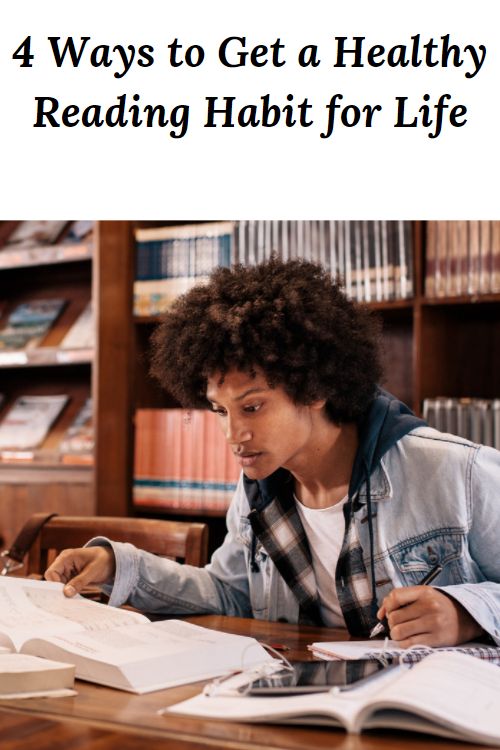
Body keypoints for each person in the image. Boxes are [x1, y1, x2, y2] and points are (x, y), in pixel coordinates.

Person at [45, 257, 500, 647]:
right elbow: (229, 594)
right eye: (220, 411)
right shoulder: (259, 491)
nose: (232, 434)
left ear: (315, 387)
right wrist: (119, 567)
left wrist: (466, 615)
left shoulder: (457, 470)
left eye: (253, 406)